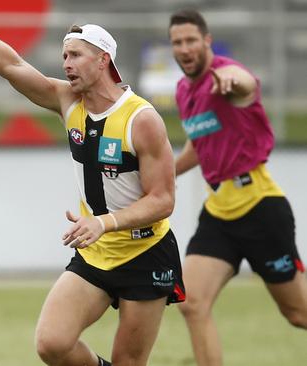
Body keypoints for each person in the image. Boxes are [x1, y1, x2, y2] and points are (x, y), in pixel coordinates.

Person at [0, 1, 185, 365]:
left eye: (76, 55)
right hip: (95, 251)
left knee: (130, 359)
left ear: (103, 60)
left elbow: (163, 200)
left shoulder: (141, 118)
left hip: (146, 251)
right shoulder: (68, 101)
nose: (66, 63)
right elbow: (11, 65)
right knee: (51, 343)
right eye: (64, 54)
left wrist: (103, 222)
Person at [168, 9, 307, 366]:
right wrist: (158, 173)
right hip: (219, 212)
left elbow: (243, 82)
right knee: (192, 302)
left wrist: (232, 82)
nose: (184, 48)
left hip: (261, 208)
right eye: (177, 42)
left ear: (207, 42)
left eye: (191, 40)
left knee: (298, 314)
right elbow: (199, 143)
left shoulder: (227, 76)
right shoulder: (184, 91)